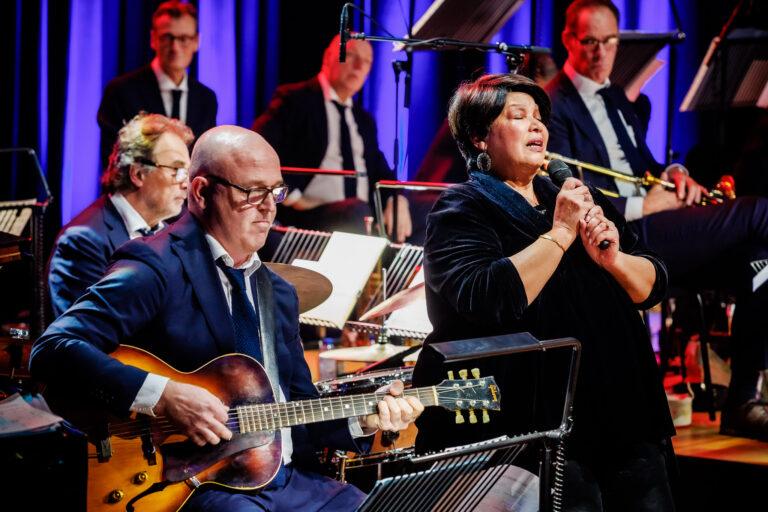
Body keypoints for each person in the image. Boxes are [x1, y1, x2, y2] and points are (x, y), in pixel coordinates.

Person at [32, 125, 422, 511]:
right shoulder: (155, 266)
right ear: (201, 192)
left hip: (285, 481)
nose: (269, 206)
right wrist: (165, 396)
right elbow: (54, 350)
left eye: (276, 191)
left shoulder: (278, 292)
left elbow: (298, 409)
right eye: (253, 192)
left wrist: (366, 421)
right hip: (194, 486)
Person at [412, 73, 676, 511]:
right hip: (538, 430)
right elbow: (487, 297)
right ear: (479, 137)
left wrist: (614, 261)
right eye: (518, 116)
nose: (537, 126)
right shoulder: (462, 208)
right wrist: (561, 232)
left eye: (539, 117)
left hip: (627, 414)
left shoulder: (575, 198)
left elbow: (653, 283)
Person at [545, 0, 768, 441]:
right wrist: (638, 207)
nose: (601, 52)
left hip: (656, 229)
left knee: (758, 262)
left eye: (609, 41)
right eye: (590, 41)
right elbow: (565, 190)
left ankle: (743, 401)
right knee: (760, 211)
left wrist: (674, 175)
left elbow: (642, 168)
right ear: (570, 40)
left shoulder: (615, 96)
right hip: (623, 237)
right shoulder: (554, 104)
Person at [251, 34, 412, 242]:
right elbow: (257, 149)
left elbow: (380, 168)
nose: (358, 65)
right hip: (309, 214)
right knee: (356, 211)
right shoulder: (295, 100)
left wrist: (398, 197)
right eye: (351, 55)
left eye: (366, 62)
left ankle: (402, 274)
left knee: (427, 210)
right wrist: (293, 197)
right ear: (327, 58)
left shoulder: (364, 120)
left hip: (361, 215)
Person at [47, 112, 192, 318]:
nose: (185, 183)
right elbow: (85, 336)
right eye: (176, 169)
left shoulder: (179, 226)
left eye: (187, 172)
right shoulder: (83, 242)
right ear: (138, 174)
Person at [97, 0, 217, 170]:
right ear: (153, 39)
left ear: (196, 41)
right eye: (168, 38)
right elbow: (114, 163)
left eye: (183, 39)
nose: (175, 47)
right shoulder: (120, 92)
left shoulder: (206, 99)